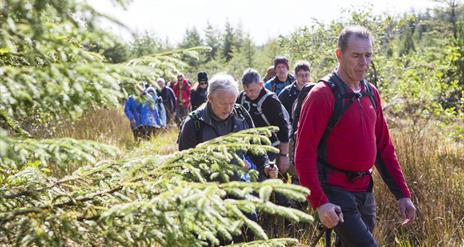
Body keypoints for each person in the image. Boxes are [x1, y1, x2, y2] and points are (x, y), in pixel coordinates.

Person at [294, 26, 416, 247]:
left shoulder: (371, 93)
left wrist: (402, 194)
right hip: (335, 191)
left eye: (368, 55)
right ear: (339, 55)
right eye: (356, 55)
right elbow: (303, 155)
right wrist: (320, 203)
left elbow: (384, 148)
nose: (364, 62)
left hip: (365, 191)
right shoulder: (322, 95)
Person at [178, 73, 278, 180]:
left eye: (232, 102)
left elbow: (255, 146)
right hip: (209, 191)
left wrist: (266, 166)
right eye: (223, 103)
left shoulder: (241, 114)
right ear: (210, 98)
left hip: (239, 187)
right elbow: (186, 165)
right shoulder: (193, 123)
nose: (228, 108)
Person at [237, 68, 290, 175]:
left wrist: (284, 156)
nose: (249, 94)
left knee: (266, 174)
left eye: (252, 90)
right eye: (246, 91)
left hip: (270, 146)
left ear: (261, 85)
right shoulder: (242, 98)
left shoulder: (271, 101)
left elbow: (283, 129)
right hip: (249, 145)